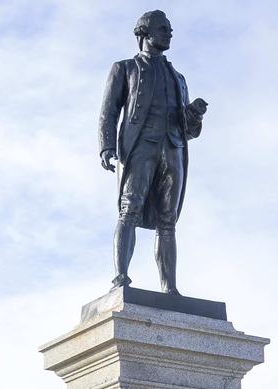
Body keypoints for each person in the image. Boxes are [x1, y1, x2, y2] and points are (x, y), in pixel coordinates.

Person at [99, 10, 207, 294]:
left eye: (170, 29)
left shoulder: (178, 77)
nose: (169, 33)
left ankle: (170, 288)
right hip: (140, 146)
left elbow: (189, 130)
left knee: (168, 220)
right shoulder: (124, 68)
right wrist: (107, 146)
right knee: (128, 210)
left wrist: (194, 114)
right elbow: (108, 112)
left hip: (173, 148)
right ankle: (120, 279)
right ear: (144, 33)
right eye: (163, 28)